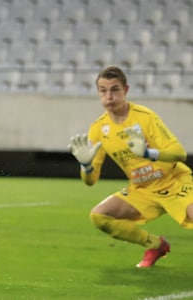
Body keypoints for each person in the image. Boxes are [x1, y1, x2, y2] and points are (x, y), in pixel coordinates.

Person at [68, 65, 192, 268]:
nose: (109, 96)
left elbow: (180, 153)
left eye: (115, 89)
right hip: (142, 190)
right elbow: (90, 181)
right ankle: (156, 245)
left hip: (174, 181)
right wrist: (86, 166)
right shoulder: (98, 129)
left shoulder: (145, 117)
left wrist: (148, 153)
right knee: (99, 216)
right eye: (103, 90)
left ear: (125, 90)